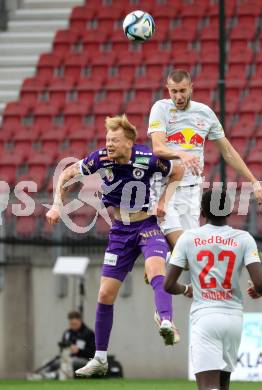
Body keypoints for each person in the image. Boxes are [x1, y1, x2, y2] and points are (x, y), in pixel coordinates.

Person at [46, 114, 184, 377]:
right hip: (120, 231)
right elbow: (67, 173)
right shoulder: (100, 158)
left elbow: (178, 169)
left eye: (115, 140)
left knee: (157, 271)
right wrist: (56, 204)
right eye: (108, 139)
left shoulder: (148, 158)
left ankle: (165, 320)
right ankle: (100, 358)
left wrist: (165, 200)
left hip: (148, 226)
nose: (109, 144)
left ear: (129, 142)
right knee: (104, 295)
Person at [147, 69, 262, 249]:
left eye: (182, 91)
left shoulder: (205, 113)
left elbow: (227, 151)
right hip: (165, 186)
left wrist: (254, 181)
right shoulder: (161, 108)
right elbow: (158, 147)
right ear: (168, 89)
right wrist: (182, 154)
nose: (178, 96)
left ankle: (162, 271)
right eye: (174, 91)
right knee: (182, 246)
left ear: (191, 88)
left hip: (191, 190)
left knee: (190, 253)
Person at [164, 188, 262, 390]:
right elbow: (261, 283)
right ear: (229, 211)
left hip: (205, 317)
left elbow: (168, 285)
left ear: (202, 211)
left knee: (208, 387)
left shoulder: (188, 238)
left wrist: (186, 289)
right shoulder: (244, 238)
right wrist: (258, 290)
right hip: (233, 319)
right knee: (223, 385)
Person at [30, 311, 95, 379]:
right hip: (67, 358)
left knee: (67, 363)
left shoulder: (89, 334)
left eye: (75, 324)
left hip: (84, 360)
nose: (73, 326)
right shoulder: (67, 333)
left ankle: (49, 376)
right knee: (47, 362)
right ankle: (42, 375)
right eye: (71, 324)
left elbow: (92, 353)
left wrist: (78, 351)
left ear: (80, 321)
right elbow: (62, 350)